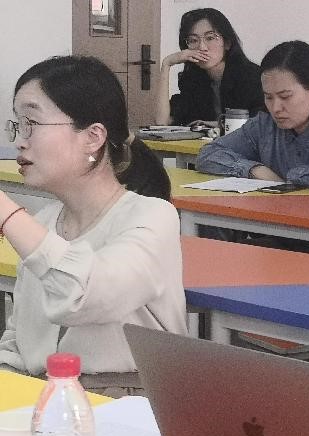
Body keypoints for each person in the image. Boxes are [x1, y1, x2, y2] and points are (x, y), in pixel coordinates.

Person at [0, 56, 186, 396]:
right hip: (47, 400)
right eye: (18, 125)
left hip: (128, 405)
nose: (20, 141)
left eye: (32, 123)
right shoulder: (43, 224)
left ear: (93, 137)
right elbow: (18, 341)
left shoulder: (153, 217)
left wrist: (6, 213)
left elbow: (83, 295)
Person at [197, 41, 309, 197]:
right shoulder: (265, 124)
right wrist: (255, 170)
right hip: (286, 223)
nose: (275, 108)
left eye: (285, 96)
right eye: (268, 97)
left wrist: (290, 176)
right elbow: (209, 154)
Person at [155, 8, 264, 126]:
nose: (202, 47)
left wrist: (215, 124)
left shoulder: (252, 77)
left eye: (210, 38)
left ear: (227, 43)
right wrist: (166, 64)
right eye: (193, 40)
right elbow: (162, 122)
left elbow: (260, 124)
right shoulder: (192, 80)